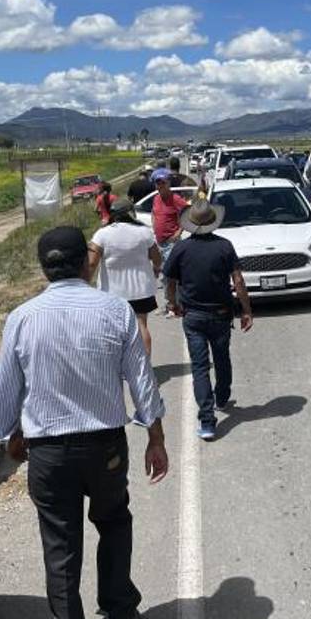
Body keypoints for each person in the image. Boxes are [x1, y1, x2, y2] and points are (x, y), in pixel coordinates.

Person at [0, 226, 168, 619]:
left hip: (48, 454)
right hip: (105, 446)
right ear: (87, 265)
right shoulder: (116, 310)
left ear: (43, 268)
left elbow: (3, 403)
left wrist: (10, 439)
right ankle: (121, 612)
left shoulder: (21, 318)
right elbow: (141, 382)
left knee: (60, 546)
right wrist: (155, 438)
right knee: (114, 523)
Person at [163, 199, 253, 441]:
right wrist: (246, 311)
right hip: (221, 314)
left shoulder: (181, 249)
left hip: (193, 316)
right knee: (222, 358)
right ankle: (222, 397)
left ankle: (207, 420)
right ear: (213, 222)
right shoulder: (225, 247)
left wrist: (172, 303)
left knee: (200, 367)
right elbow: (239, 281)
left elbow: (169, 280)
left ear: (191, 223)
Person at [88, 198, 163, 355]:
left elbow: (91, 263)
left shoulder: (102, 235)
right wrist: (156, 269)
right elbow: (157, 258)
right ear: (131, 213)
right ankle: (144, 368)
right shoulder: (144, 232)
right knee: (141, 326)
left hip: (112, 293)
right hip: (141, 290)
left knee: (116, 330)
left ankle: (120, 367)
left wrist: (84, 285)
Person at [150, 168, 190, 315]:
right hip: (159, 242)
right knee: (164, 276)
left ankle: (174, 305)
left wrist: (179, 232)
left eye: (163, 182)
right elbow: (154, 213)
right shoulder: (156, 198)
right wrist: (154, 225)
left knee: (170, 275)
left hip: (171, 242)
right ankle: (171, 304)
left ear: (168, 183)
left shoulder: (175, 199)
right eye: (158, 182)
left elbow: (188, 213)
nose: (160, 185)